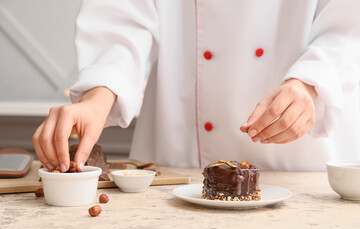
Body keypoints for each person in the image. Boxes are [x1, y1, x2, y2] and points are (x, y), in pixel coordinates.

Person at [32, 0, 360, 173]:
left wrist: (310, 83)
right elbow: (123, 17)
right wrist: (96, 97)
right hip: (180, 168)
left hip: (298, 165)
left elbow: (348, 24)